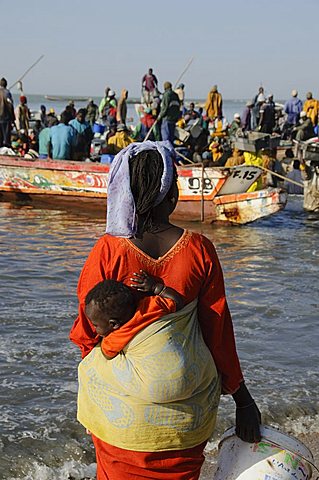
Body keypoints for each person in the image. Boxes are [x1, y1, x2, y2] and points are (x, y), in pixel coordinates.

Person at [70, 141, 261, 480]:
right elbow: (217, 331)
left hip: (122, 418)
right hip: (186, 418)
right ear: (169, 194)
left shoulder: (108, 250)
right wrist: (242, 399)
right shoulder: (199, 249)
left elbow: (87, 332)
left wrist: (96, 396)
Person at [84, 272, 184, 359]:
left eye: (95, 325)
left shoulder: (114, 339)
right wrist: (156, 287)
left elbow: (106, 355)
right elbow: (178, 302)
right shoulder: (150, 305)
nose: (95, 330)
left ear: (114, 324)